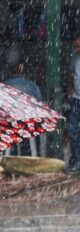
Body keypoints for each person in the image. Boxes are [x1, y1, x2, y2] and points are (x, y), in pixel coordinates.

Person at [4, 63, 46, 157]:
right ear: (24, 71)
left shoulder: (4, 85)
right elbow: (40, 105)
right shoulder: (32, 85)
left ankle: (9, 156)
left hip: (9, 124)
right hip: (28, 123)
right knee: (31, 137)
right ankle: (31, 155)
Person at [66, 36, 80, 173]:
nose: (76, 48)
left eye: (78, 45)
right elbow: (70, 74)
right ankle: (76, 160)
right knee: (73, 129)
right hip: (76, 98)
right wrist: (69, 89)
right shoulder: (75, 57)